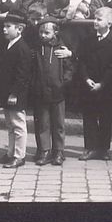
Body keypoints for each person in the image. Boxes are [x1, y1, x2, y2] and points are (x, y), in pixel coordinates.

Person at [77, 7, 112, 161]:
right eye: (94, 19)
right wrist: (86, 78)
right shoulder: (87, 40)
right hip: (89, 83)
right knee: (89, 116)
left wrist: (102, 83)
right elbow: (81, 61)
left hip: (106, 86)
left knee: (105, 117)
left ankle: (103, 149)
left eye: (99, 19)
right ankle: (90, 147)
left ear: (109, 23)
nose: (95, 22)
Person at [31, 17, 75, 166]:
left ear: (55, 32)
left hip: (58, 92)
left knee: (58, 124)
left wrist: (64, 82)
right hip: (41, 92)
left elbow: (69, 68)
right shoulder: (36, 49)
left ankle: (58, 151)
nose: (43, 35)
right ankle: (44, 150)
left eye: (47, 32)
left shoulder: (61, 49)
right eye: (41, 32)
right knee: (43, 123)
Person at [0, 12, 33, 168]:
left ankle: (19, 156)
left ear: (20, 29)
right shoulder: (9, 44)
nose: (4, 29)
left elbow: (23, 75)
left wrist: (14, 93)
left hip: (16, 94)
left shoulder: (22, 48)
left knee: (18, 125)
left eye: (8, 27)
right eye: (4, 26)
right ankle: (10, 153)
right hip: (7, 92)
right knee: (10, 125)